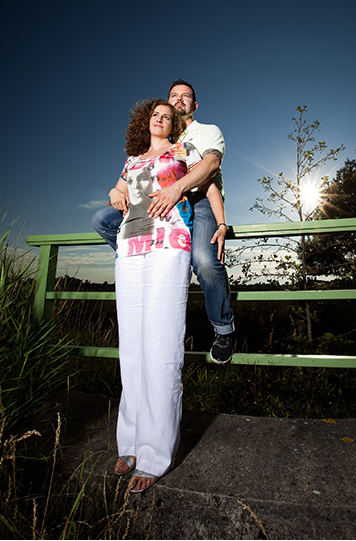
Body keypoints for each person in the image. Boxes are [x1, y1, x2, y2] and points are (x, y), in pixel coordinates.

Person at [109, 99, 228, 494]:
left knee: (161, 347)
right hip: (129, 247)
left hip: (169, 243)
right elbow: (120, 189)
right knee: (133, 348)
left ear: (173, 123)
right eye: (154, 115)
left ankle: (156, 452)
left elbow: (208, 181)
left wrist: (222, 223)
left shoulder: (184, 151)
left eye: (166, 115)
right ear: (144, 122)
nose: (160, 119)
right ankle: (130, 443)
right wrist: (114, 190)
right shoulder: (131, 159)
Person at [92, 79, 236, 363]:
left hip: (196, 199)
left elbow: (210, 169)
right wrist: (114, 193)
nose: (179, 99)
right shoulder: (158, 139)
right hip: (156, 207)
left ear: (194, 105)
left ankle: (223, 328)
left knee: (205, 261)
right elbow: (126, 182)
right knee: (103, 219)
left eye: (186, 97)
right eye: (174, 96)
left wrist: (221, 223)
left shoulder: (204, 133)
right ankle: (150, 262)